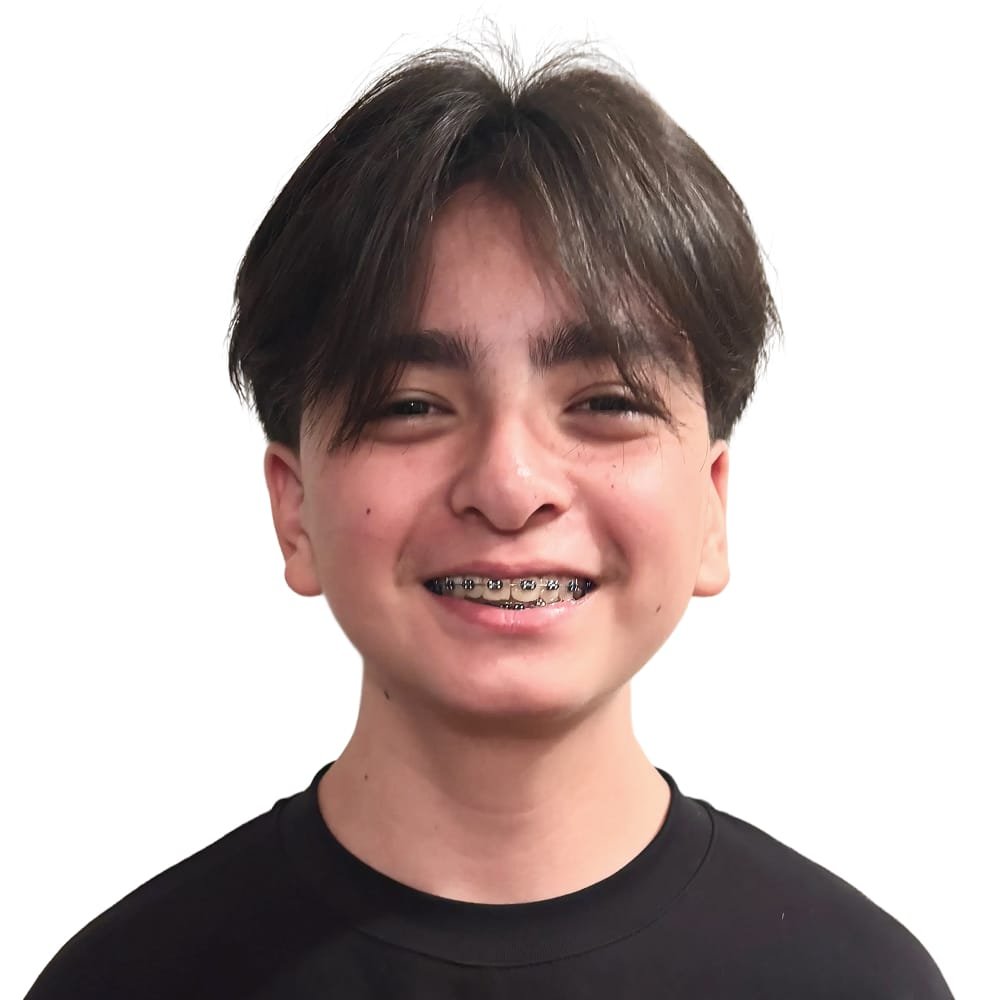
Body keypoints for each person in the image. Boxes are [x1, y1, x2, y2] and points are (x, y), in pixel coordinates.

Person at [25, 39, 954, 999]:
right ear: (293, 507)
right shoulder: (129, 980)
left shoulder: (856, 980)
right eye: (411, 405)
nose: (509, 487)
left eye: (605, 402)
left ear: (712, 507)